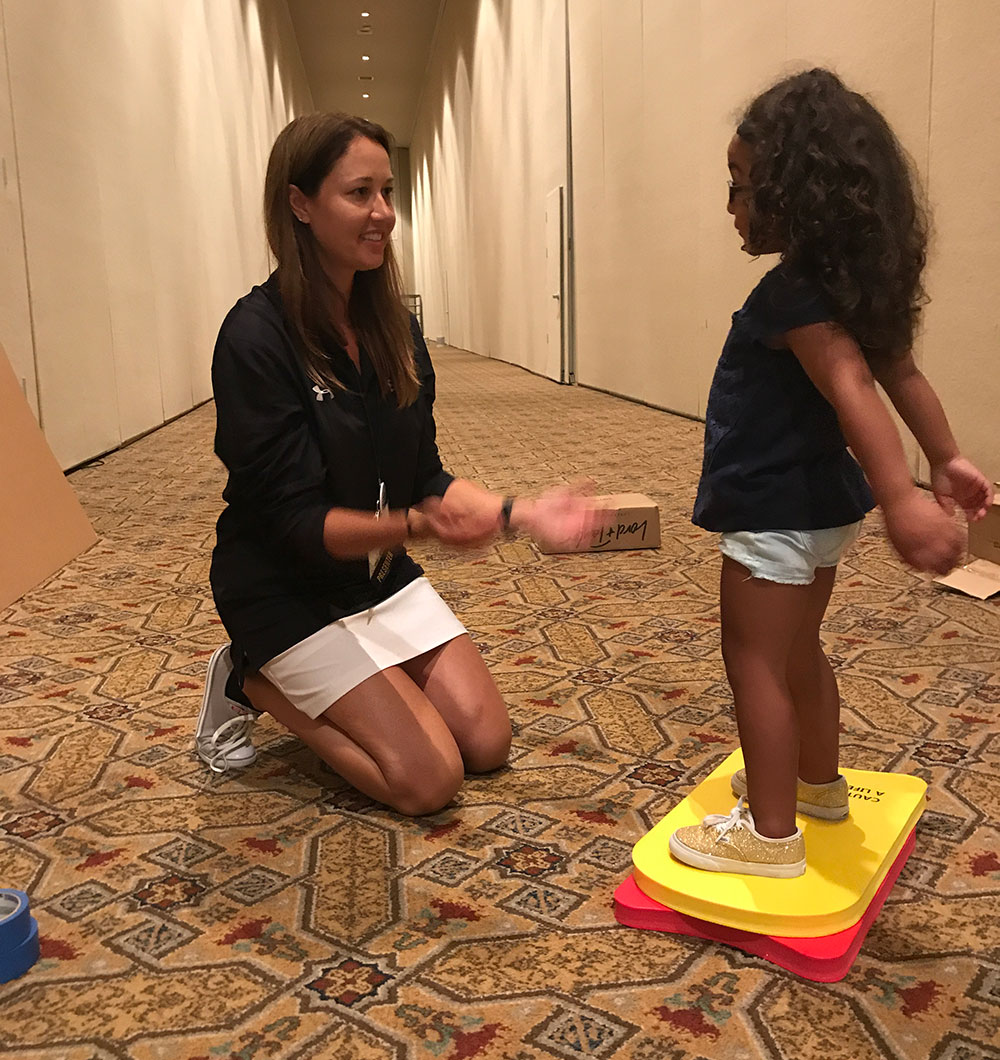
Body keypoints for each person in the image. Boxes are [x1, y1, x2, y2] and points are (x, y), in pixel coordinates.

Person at [194, 112, 597, 815]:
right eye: (359, 193)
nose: (382, 213)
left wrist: (518, 512)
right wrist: (417, 526)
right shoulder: (254, 338)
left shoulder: (392, 327)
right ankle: (250, 678)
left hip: (376, 577)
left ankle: (359, 682)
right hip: (282, 590)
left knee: (486, 742)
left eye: (388, 191)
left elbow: (425, 475)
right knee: (429, 779)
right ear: (300, 204)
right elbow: (296, 523)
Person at [669, 69, 993, 878]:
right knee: (801, 649)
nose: (732, 206)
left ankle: (770, 836)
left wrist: (906, 496)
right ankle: (816, 788)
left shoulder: (792, 297)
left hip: (772, 504)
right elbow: (901, 374)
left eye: (743, 188)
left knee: (754, 661)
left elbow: (855, 388)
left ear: (795, 197)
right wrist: (947, 456)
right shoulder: (851, 287)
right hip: (817, 507)